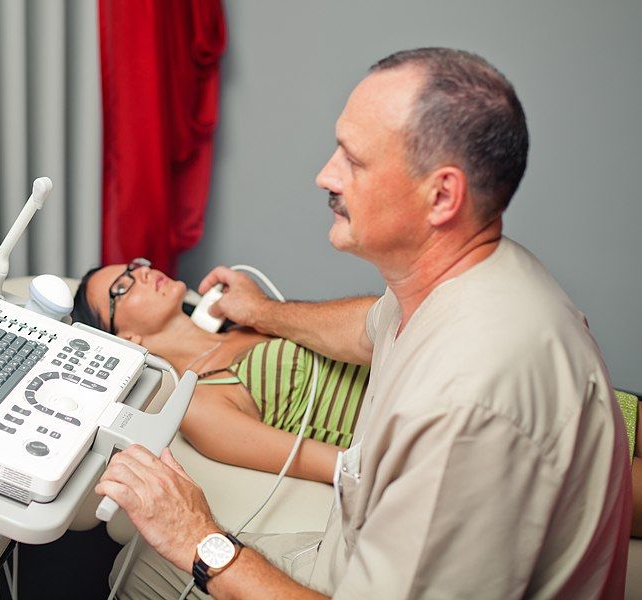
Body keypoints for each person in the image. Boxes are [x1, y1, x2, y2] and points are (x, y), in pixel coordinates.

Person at [94, 48, 633, 598]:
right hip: (341, 555)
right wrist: (263, 312)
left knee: (138, 575)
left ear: (442, 196)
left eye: (353, 160)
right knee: (139, 565)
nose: (325, 175)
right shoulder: (454, 280)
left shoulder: (466, 408)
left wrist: (199, 539)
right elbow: (365, 328)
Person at [71, 262, 375, 483]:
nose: (143, 272)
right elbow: (337, 466)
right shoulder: (199, 405)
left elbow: (377, 324)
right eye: (122, 287)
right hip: (389, 426)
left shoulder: (247, 322)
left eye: (135, 266)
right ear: (127, 339)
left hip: (396, 364)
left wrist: (261, 309)